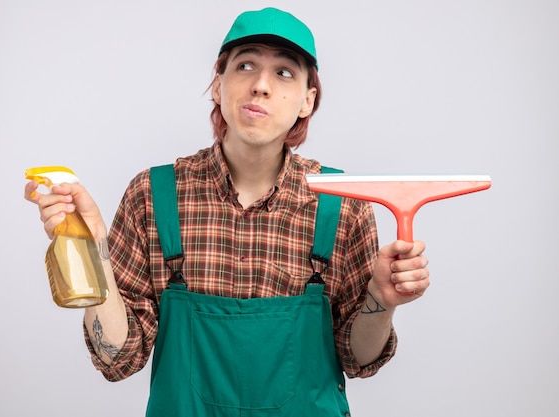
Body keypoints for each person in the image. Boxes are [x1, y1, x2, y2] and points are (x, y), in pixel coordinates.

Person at [25, 7, 430, 416]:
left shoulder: (341, 204)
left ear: (308, 101)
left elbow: (358, 359)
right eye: (245, 65)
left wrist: (382, 299)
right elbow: (119, 358)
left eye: (284, 72)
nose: (260, 86)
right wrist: (93, 249)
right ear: (219, 85)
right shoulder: (153, 195)